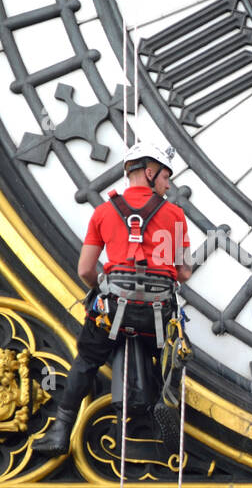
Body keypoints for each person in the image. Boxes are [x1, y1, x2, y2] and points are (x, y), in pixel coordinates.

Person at [33, 140, 190, 455]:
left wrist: (103, 287)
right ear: (148, 172)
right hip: (157, 314)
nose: (167, 184)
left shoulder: (104, 212)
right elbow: (183, 273)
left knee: (88, 359)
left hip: (114, 310)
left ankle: (61, 432)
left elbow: (85, 269)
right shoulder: (175, 215)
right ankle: (165, 405)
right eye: (164, 177)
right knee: (170, 356)